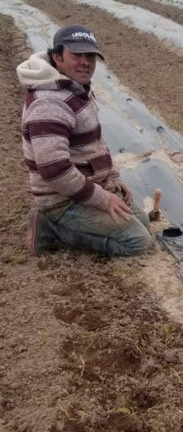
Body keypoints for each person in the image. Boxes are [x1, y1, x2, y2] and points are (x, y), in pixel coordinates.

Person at [17, 24, 153, 257]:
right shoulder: (49, 104)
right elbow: (55, 171)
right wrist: (102, 198)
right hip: (62, 199)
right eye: (76, 55)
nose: (85, 62)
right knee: (137, 241)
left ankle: (72, 219)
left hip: (85, 186)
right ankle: (51, 228)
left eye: (90, 56)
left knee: (144, 225)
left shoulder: (75, 89)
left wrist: (112, 179)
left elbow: (92, 145)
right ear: (57, 57)